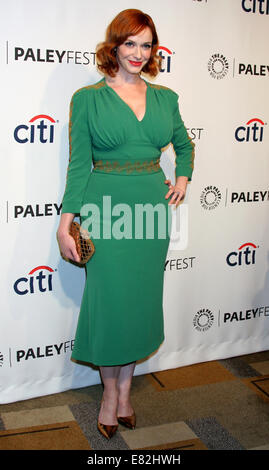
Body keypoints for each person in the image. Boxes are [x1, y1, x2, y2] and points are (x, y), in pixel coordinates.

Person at [57, 8, 194, 440]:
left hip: (150, 213)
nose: (138, 53)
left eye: (147, 44)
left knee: (137, 302)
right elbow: (79, 165)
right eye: (130, 43)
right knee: (111, 303)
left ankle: (125, 394)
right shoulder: (87, 98)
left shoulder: (166, 98)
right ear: (114, 45)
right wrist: (66, 223)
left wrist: (183, 178)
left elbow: (184, 147)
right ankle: (107, 395)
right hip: (106, 212)